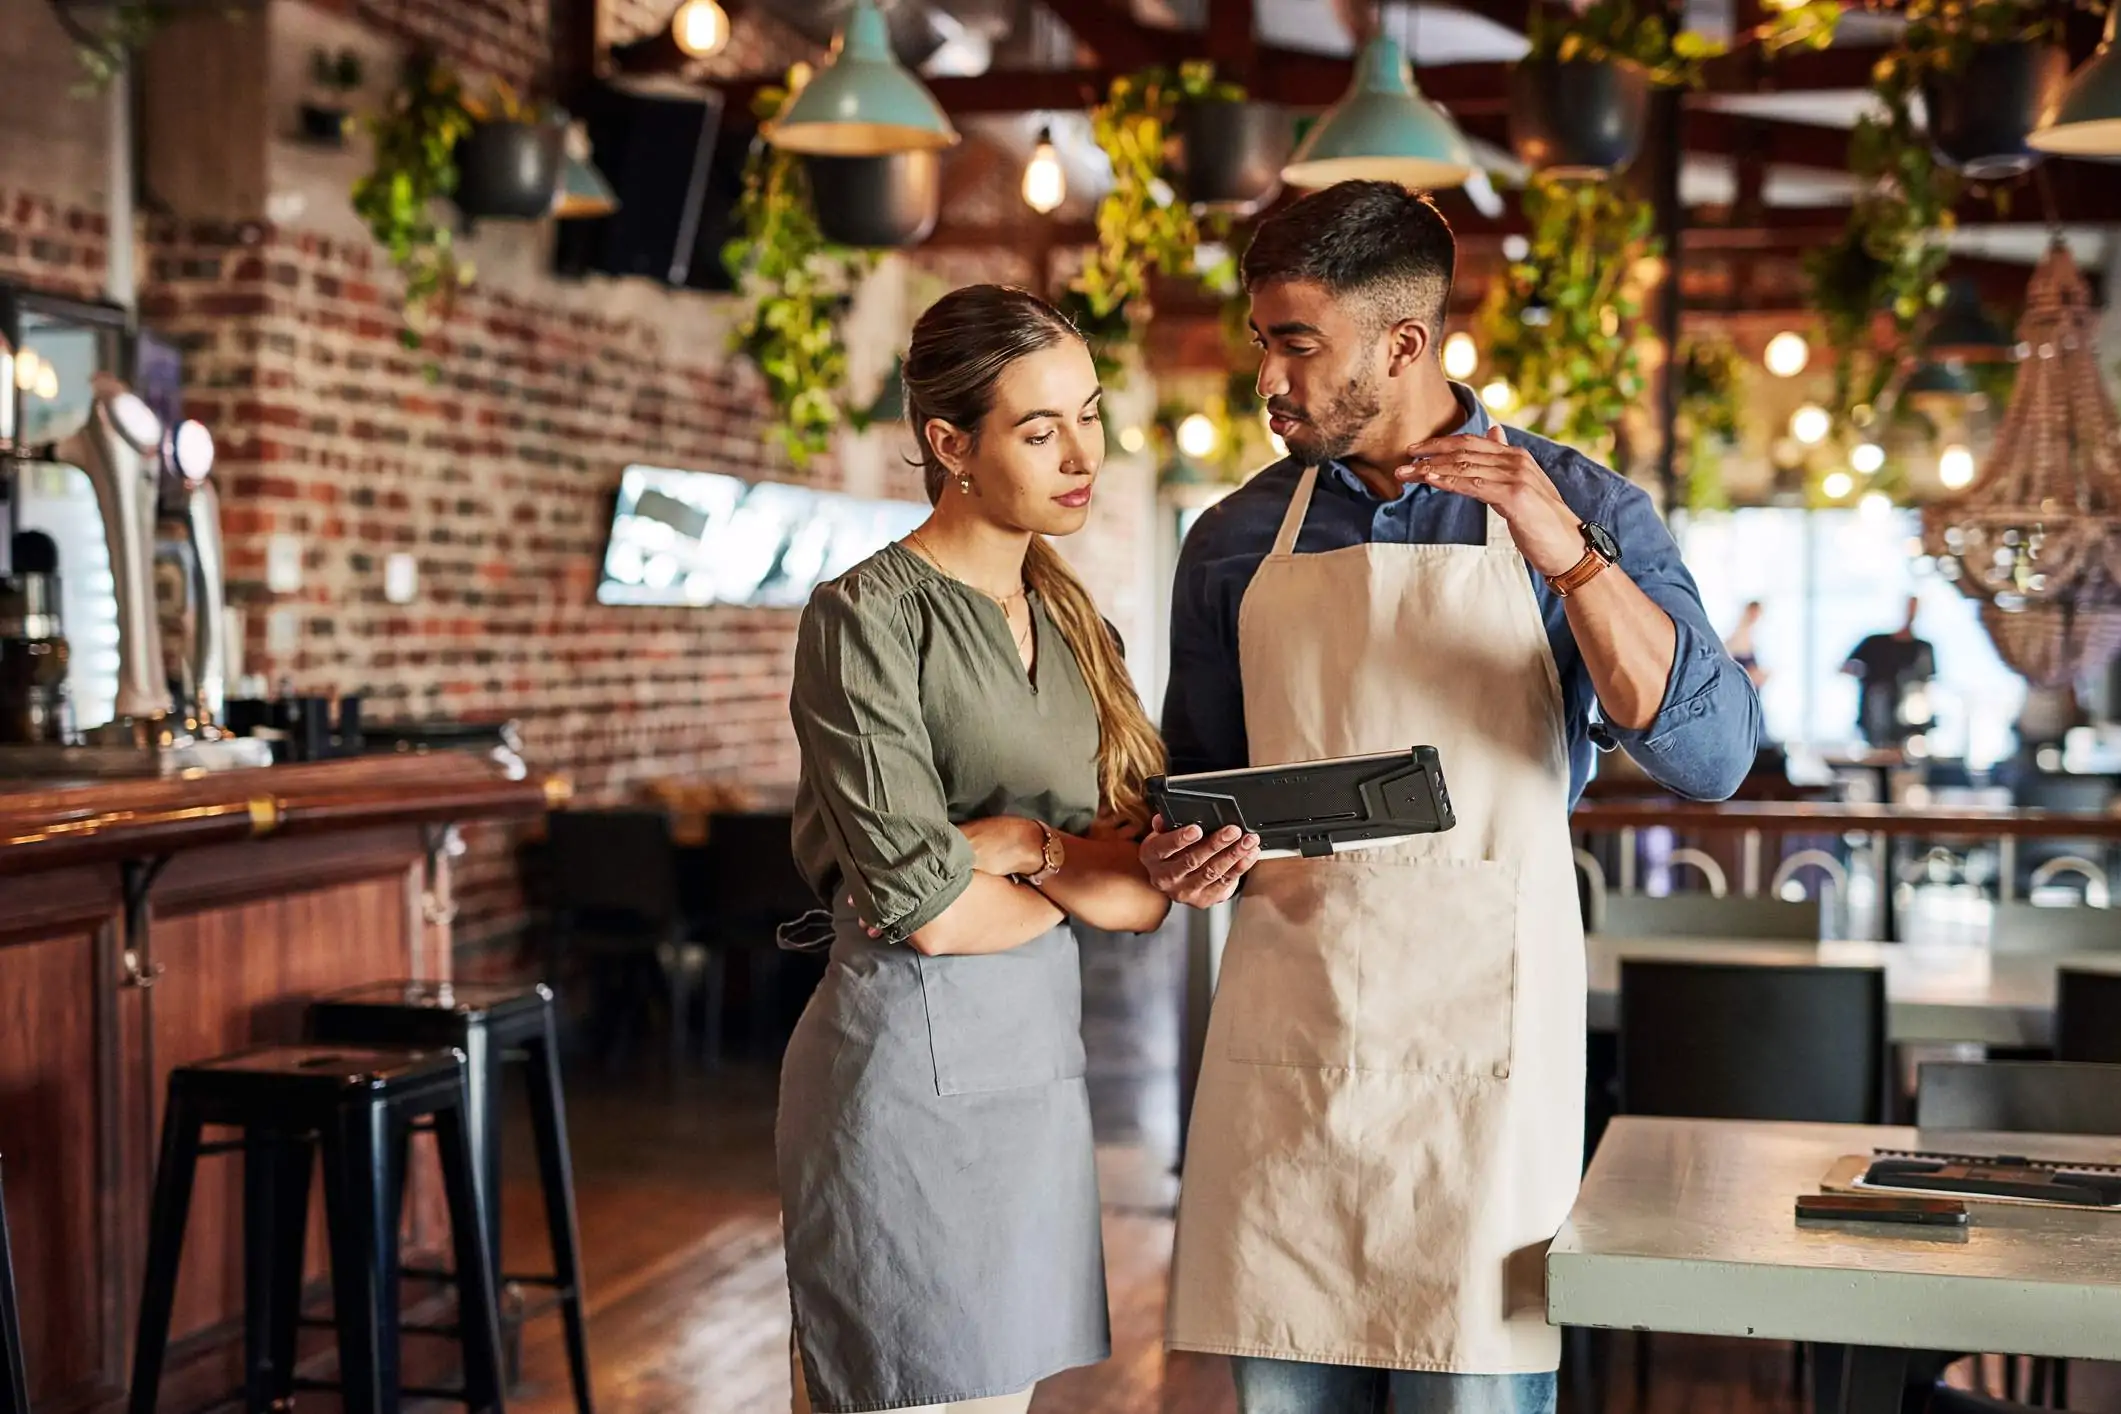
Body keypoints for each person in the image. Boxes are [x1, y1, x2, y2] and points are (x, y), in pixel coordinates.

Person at [1143, 181, 1761, 1414]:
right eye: (1263, 340)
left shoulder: (1582, 508)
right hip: (1293, 1061)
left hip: (1484, 1064)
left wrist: (1562, 547)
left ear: (1406, 343)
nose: (1267, 375)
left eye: (1297, 343)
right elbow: (1196, 784)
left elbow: (1712, 757)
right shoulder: (1230, 540)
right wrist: (1181, 850)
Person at [777, 285, 1171, 1414]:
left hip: (1037, 1078)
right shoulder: (865, 617)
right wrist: (1071, 867)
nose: (1080, 452)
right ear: (950, 444)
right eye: (1039, 429)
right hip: (900, 1082)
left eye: (1089, 415)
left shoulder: (1076, 622)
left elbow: (1140, 892)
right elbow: (934, 914)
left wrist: (1021, 849)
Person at [1841, 595, 1936, 749]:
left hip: (1909, 715)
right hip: (1875, 712)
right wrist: (1866, 675)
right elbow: (1846, 667)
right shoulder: (1875, 642)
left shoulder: (1922, 648)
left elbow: (1927, 682)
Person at [1726, 599, 1769, 690]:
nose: (1756, 617)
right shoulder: (1740, 632)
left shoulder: (1751, 632)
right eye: (1754, 613)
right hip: (1744, 679)